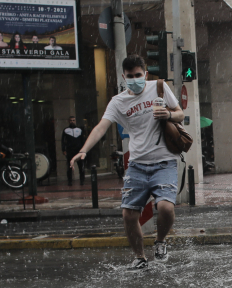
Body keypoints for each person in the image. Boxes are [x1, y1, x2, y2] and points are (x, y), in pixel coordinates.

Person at [70, 55, 184, 270]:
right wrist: (83, 150)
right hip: (137, 165)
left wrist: (168, 114)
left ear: (145, 74)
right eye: (130, 76)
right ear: (124, 77)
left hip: (164, 162)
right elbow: (101, 127)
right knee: (129, 214)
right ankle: (140, 257)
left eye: (138, 75)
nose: (135, 80)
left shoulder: (159, 87)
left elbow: (181, 114)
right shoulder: (118, 101)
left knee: (166, 208)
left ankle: (160, 242)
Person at [62, 116, 86, 186]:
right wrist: (63, 149)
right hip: (70, 150)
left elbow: (83, 140)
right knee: (69, 167)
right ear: (69, 121)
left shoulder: (80, 130)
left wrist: (83, 150)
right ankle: (70, 181)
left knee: (81, 166)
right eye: (71, 120)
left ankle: (82, 180)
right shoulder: (65, 130)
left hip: (78, 151)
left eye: (73, 120)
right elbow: (63, 141)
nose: (72, 121)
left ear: (75, 121)